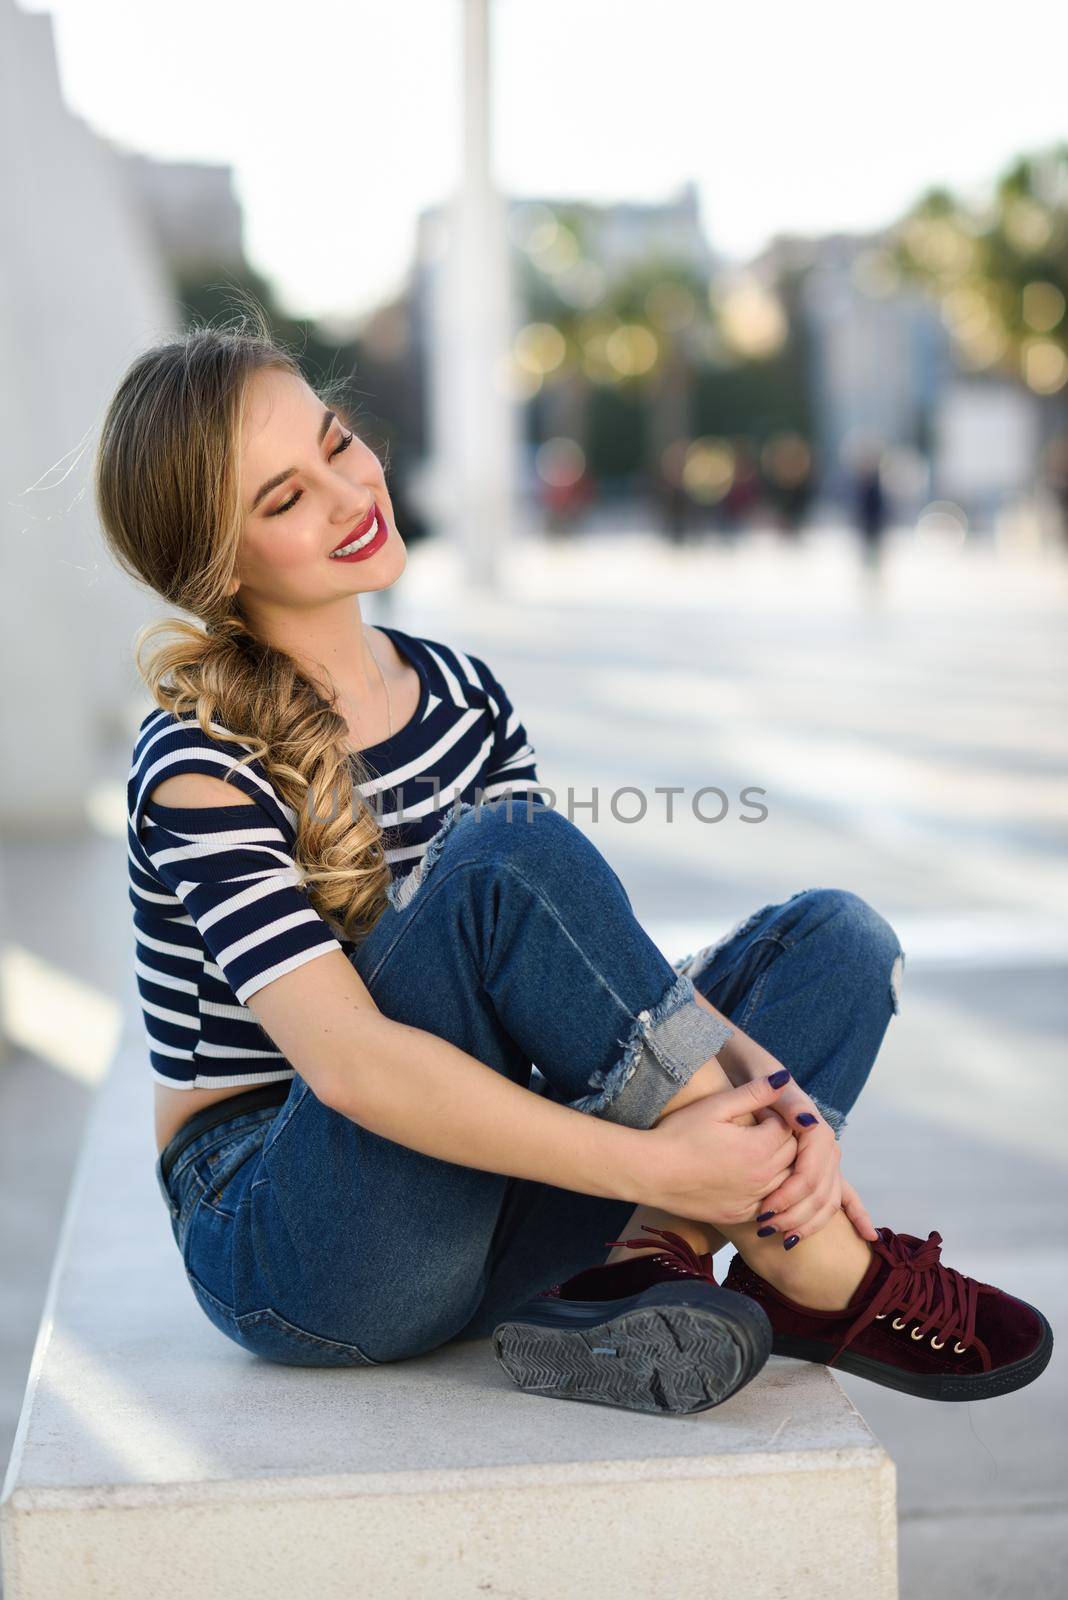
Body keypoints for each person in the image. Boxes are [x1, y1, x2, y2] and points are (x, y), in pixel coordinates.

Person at [95, 315, 1052, 1417]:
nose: (350, 492)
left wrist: (778, 1110)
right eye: (285, 498)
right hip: (303, 1239)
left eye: (336, 443)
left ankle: (653, 1262)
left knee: (838, 941)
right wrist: (666, 1168)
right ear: (217, 561)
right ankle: (811, 1268)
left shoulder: (459, 692)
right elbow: (354, 1067)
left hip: (490, 1182)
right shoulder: (197, 762)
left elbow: (583, 981)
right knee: (509, 857)